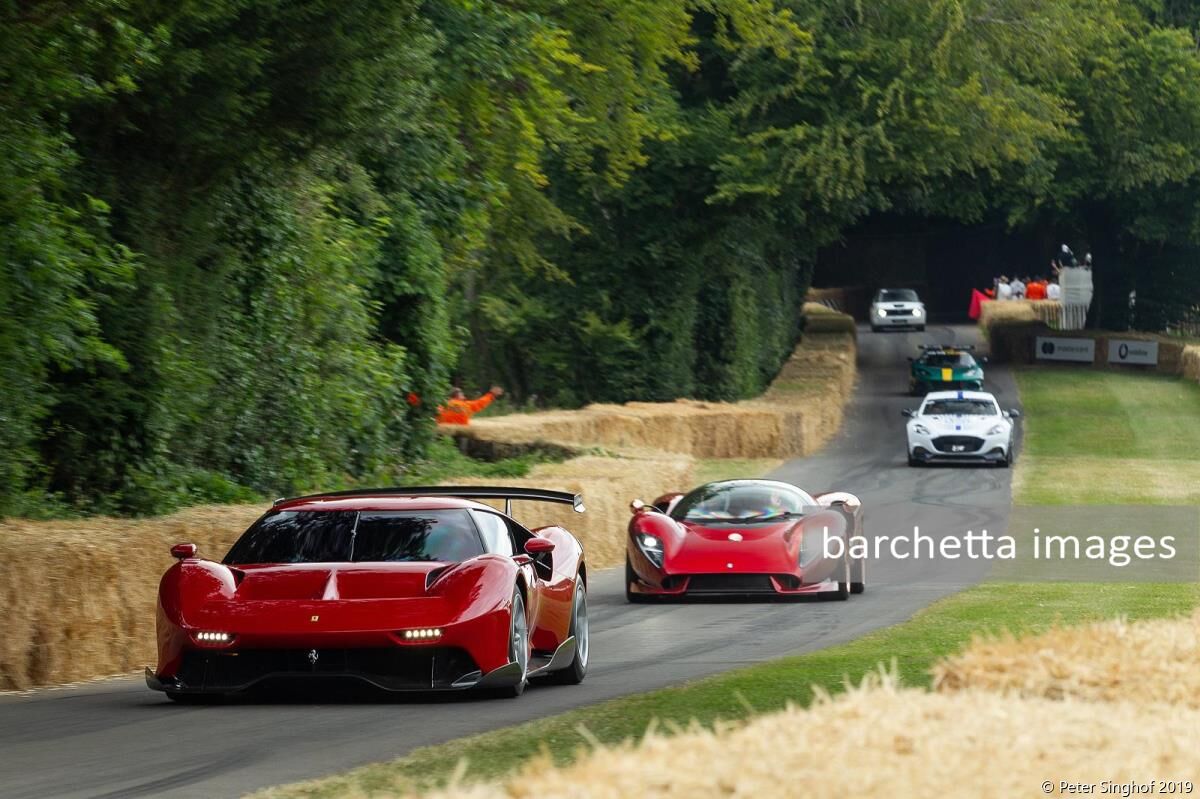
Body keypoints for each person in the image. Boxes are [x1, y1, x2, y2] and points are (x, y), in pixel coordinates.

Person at [436, 385, 504, 425]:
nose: (464, 395)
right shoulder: (466, 405)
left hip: (443, 431)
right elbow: (480, 403)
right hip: (461, 432)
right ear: (457, 395)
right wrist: (491, 395)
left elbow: (436, 415)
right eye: (462, 394)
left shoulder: (443, 404)